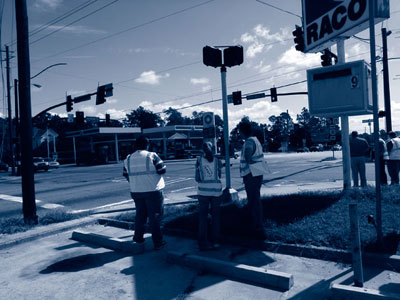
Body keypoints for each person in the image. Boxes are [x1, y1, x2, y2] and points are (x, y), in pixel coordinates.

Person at [123, 135, 167, 250]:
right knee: (155, 217)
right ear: (147, 145)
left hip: (136, 191)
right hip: (153, 191)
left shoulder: (128, 158)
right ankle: (158, 242)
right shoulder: (152, 155)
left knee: (140, 216)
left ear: (135, 145)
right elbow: (162, 170)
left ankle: (138, 239)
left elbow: (125, 174)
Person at [239, 122, 269, 240]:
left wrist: (246, 159)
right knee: (255, 200)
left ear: (242, 131)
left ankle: (257, 226)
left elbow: (247, 156)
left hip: (251, 174)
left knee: (253, 201)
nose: (239, 134)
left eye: (240, 131)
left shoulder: (249, 142)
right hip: (257, 172)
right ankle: (257, 224)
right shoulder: (255, 140)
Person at [195, 142, 223, 251]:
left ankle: (203, 243)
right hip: (216, 192)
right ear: (213, 149)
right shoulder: (218, 161)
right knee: (216, 217)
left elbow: (197, 178)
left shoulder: (198, 161)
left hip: (203, 193)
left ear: (202, 150)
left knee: (203, 218)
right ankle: (215, 241)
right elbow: (219, 175)